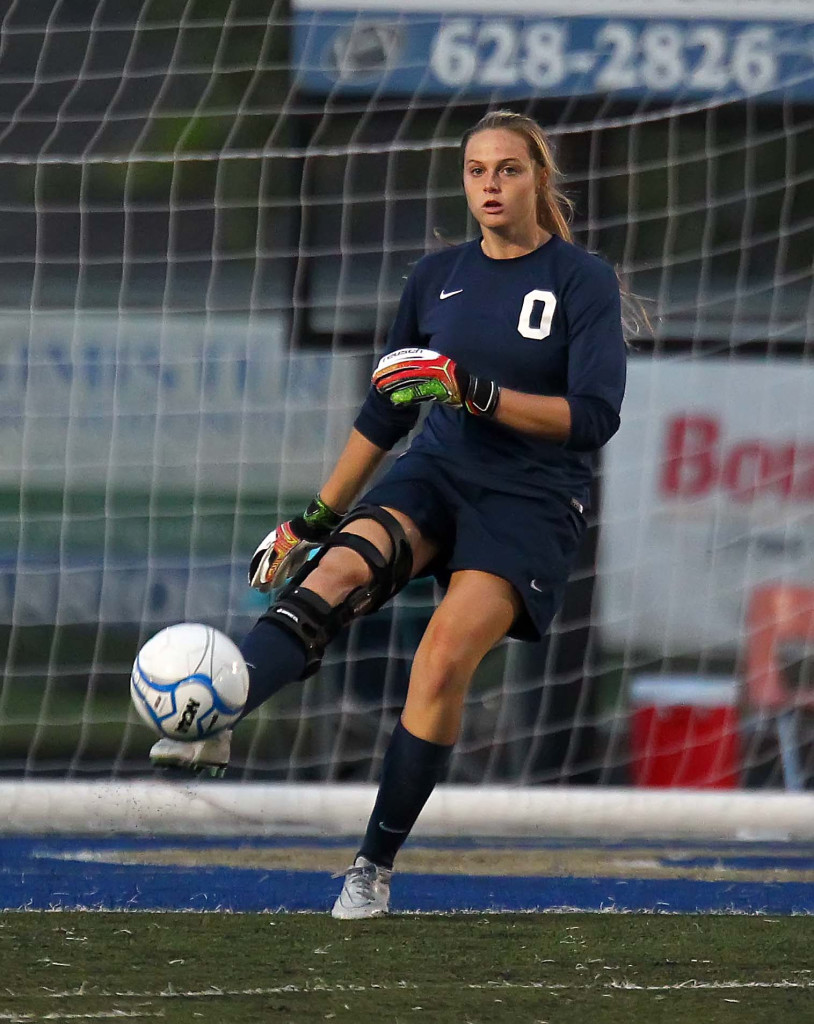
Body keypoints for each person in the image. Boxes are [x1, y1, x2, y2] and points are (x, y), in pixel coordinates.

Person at [150, 110, 627, 918]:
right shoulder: (435, 277)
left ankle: (372, 866)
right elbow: (385, 413)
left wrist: (481, 393)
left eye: (508, 170)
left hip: (532, 502)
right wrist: (311, 520)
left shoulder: (582, 280)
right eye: (476, 171)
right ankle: (217, 714)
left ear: (540, 179)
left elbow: (593, 417)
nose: (490, 186)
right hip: (436, 472)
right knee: (334, 572)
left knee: (439, 661)